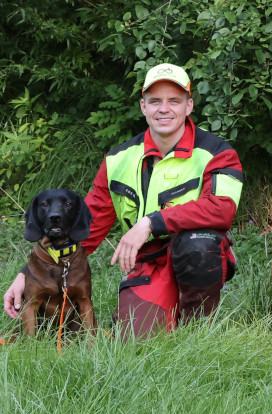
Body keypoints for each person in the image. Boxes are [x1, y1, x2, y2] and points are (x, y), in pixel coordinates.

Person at [4, 63, 244, 340]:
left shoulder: (217, 152)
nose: (163, 109)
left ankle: (198, 332)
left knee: (198, 244)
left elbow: (221, 208)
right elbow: (87, 225)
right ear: (143, 106)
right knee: (132, 340)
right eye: (155, 101)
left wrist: (150, 223)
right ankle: (161, 313)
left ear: (189, 106)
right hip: (147, 265)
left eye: (174, 101)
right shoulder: (118, 159)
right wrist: (27, 273)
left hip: (192, 252)